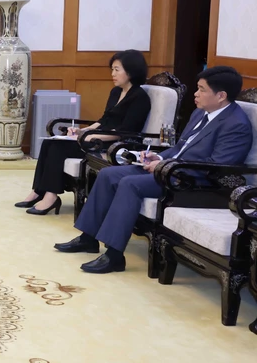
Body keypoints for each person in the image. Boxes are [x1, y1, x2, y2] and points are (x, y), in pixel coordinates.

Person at [54, 66, 253, 274]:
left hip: (194, 182)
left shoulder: (235, 125)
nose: (196, 94)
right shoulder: (200, 113)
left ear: (221, 95)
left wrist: (166, 167)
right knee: (108, 174)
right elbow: (180, 148)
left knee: (130, 183)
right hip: (171, 170)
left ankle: (113, 256)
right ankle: (88, 238)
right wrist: (158, 157)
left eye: (202, 89)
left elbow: (216, 168)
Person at [17, 50, 152, 215]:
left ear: (131, 71)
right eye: (112, 69)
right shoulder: (116, 92)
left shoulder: (140, 98)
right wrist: (83, 131)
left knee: (59, 149)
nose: (113, 74)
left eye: (117, 69)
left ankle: (51, 196)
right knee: (50, 142)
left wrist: (92, 136)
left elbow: (126, 132)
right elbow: (103, 120)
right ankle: (38, 191)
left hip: (115, 144)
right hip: (97, 138)